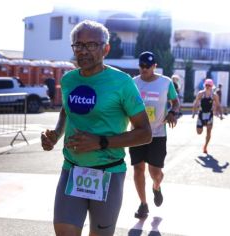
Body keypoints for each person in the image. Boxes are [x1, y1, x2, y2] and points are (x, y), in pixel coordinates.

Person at [40, 20, 152, 236]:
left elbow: (145, 133)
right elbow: (67, 110)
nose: (83, 51)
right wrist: (55, 134)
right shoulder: (69, 80)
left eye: (91, 45)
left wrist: (101, 142)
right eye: (78, 45)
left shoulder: (122, 82)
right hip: (72, 169)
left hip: (108, 172)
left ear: (106, 48)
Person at [130, 51, 179, 219]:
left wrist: (173, 112)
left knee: (155, 172)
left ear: (154, 66)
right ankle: (143, 204)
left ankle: (156, 186)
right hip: (136, 132)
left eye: (148, 66)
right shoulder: (133, 83)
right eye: (142, 66)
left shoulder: (166, 83)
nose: (144, 69)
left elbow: (176, 102)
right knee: (138, 169)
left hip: (157, 133)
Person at [192, 78, 223, 154]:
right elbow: (196, 103)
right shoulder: (201, 93)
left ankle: (205, 146)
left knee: (209, 131)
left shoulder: (214, 95)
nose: (208, 86)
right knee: (199, 132)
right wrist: (193, 113)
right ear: (204, 85)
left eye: (209, 85)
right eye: (206, 85)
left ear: (212, 86)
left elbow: (218, 105)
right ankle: (201, 127)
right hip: (201, 114)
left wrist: (221, 114)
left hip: (209, 114)